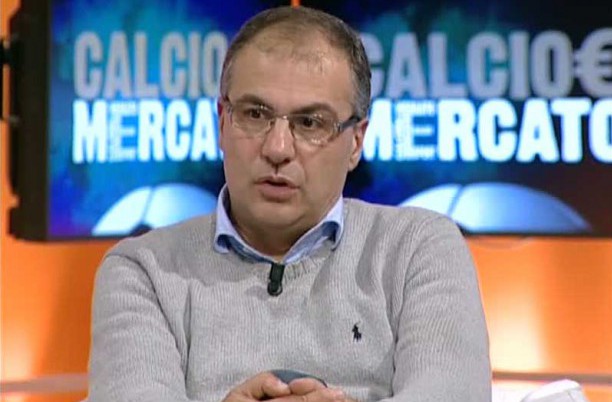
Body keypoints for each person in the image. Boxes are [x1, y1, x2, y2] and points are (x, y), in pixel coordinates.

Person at [86, 5, 491, 402]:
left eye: (310, 123)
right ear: (221, 122)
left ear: (356, 142)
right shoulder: (144, 271)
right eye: (255, 114)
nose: (278, 148)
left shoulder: (419, 248)